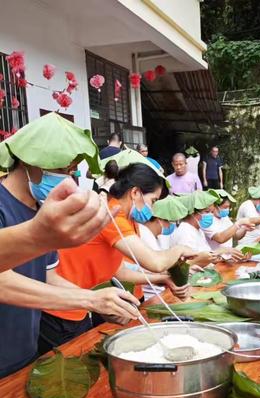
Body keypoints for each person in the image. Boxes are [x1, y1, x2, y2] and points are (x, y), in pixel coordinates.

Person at [0, 114, 140, 377]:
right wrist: (90, 299)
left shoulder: (42, 210)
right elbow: (3, 282)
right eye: (64, 170)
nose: (69, 181)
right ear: (31, 161)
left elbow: (49, 276)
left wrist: (104, 301)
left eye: (73, 172)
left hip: (24, 350)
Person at [41, 163, 195, 352]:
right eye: (153, 200)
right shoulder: (111, 214)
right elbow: (155, 262)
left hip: (78, 304)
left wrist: (162, 279)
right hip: (59, 307)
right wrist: (180, 249)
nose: (152, 208)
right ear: (135, 193)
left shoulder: (126, 218)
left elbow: (117, 269)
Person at [138, 196, 190, 301]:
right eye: (171, 222)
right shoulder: (142, 233)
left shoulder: (160, 236)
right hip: (150, 295)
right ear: (159, 219)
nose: (172, 226)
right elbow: (158, 267)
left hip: (162, 291)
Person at [171, 190, 244, 262]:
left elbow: (207, 256)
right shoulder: (185, 231)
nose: (211, 215)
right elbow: (188, 263)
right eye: (207, 212)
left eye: (212, 212)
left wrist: (229, 256)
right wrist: (223, 251)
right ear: (192, 212)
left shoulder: (199, 230)